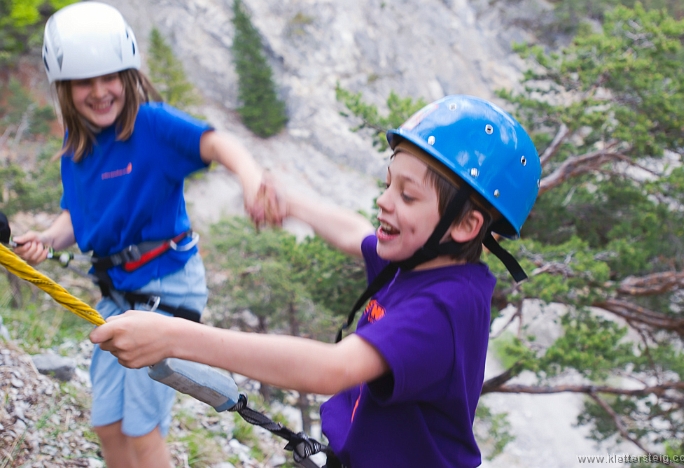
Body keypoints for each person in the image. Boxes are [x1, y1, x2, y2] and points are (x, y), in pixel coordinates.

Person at [90, 95, 542, 467]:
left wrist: (174, 336)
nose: (383, 202)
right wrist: (294, 205)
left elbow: (332, 369)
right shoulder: (415, 259)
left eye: (406, 195)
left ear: (465, 226)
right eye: (388, 184)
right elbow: (351, 232)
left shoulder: (446, 306)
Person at [13, 2, 276, 467]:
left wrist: (252, 180)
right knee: (108, 425)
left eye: (109, 77)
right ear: (64, 88)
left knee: (141, 430)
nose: (99, 92)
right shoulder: (77, 152)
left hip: (165, 288)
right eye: (83, 82)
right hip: (118, 294)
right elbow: (77, 216)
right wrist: (46, 239)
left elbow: (216, 142)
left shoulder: (151, 126)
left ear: (128, 75)